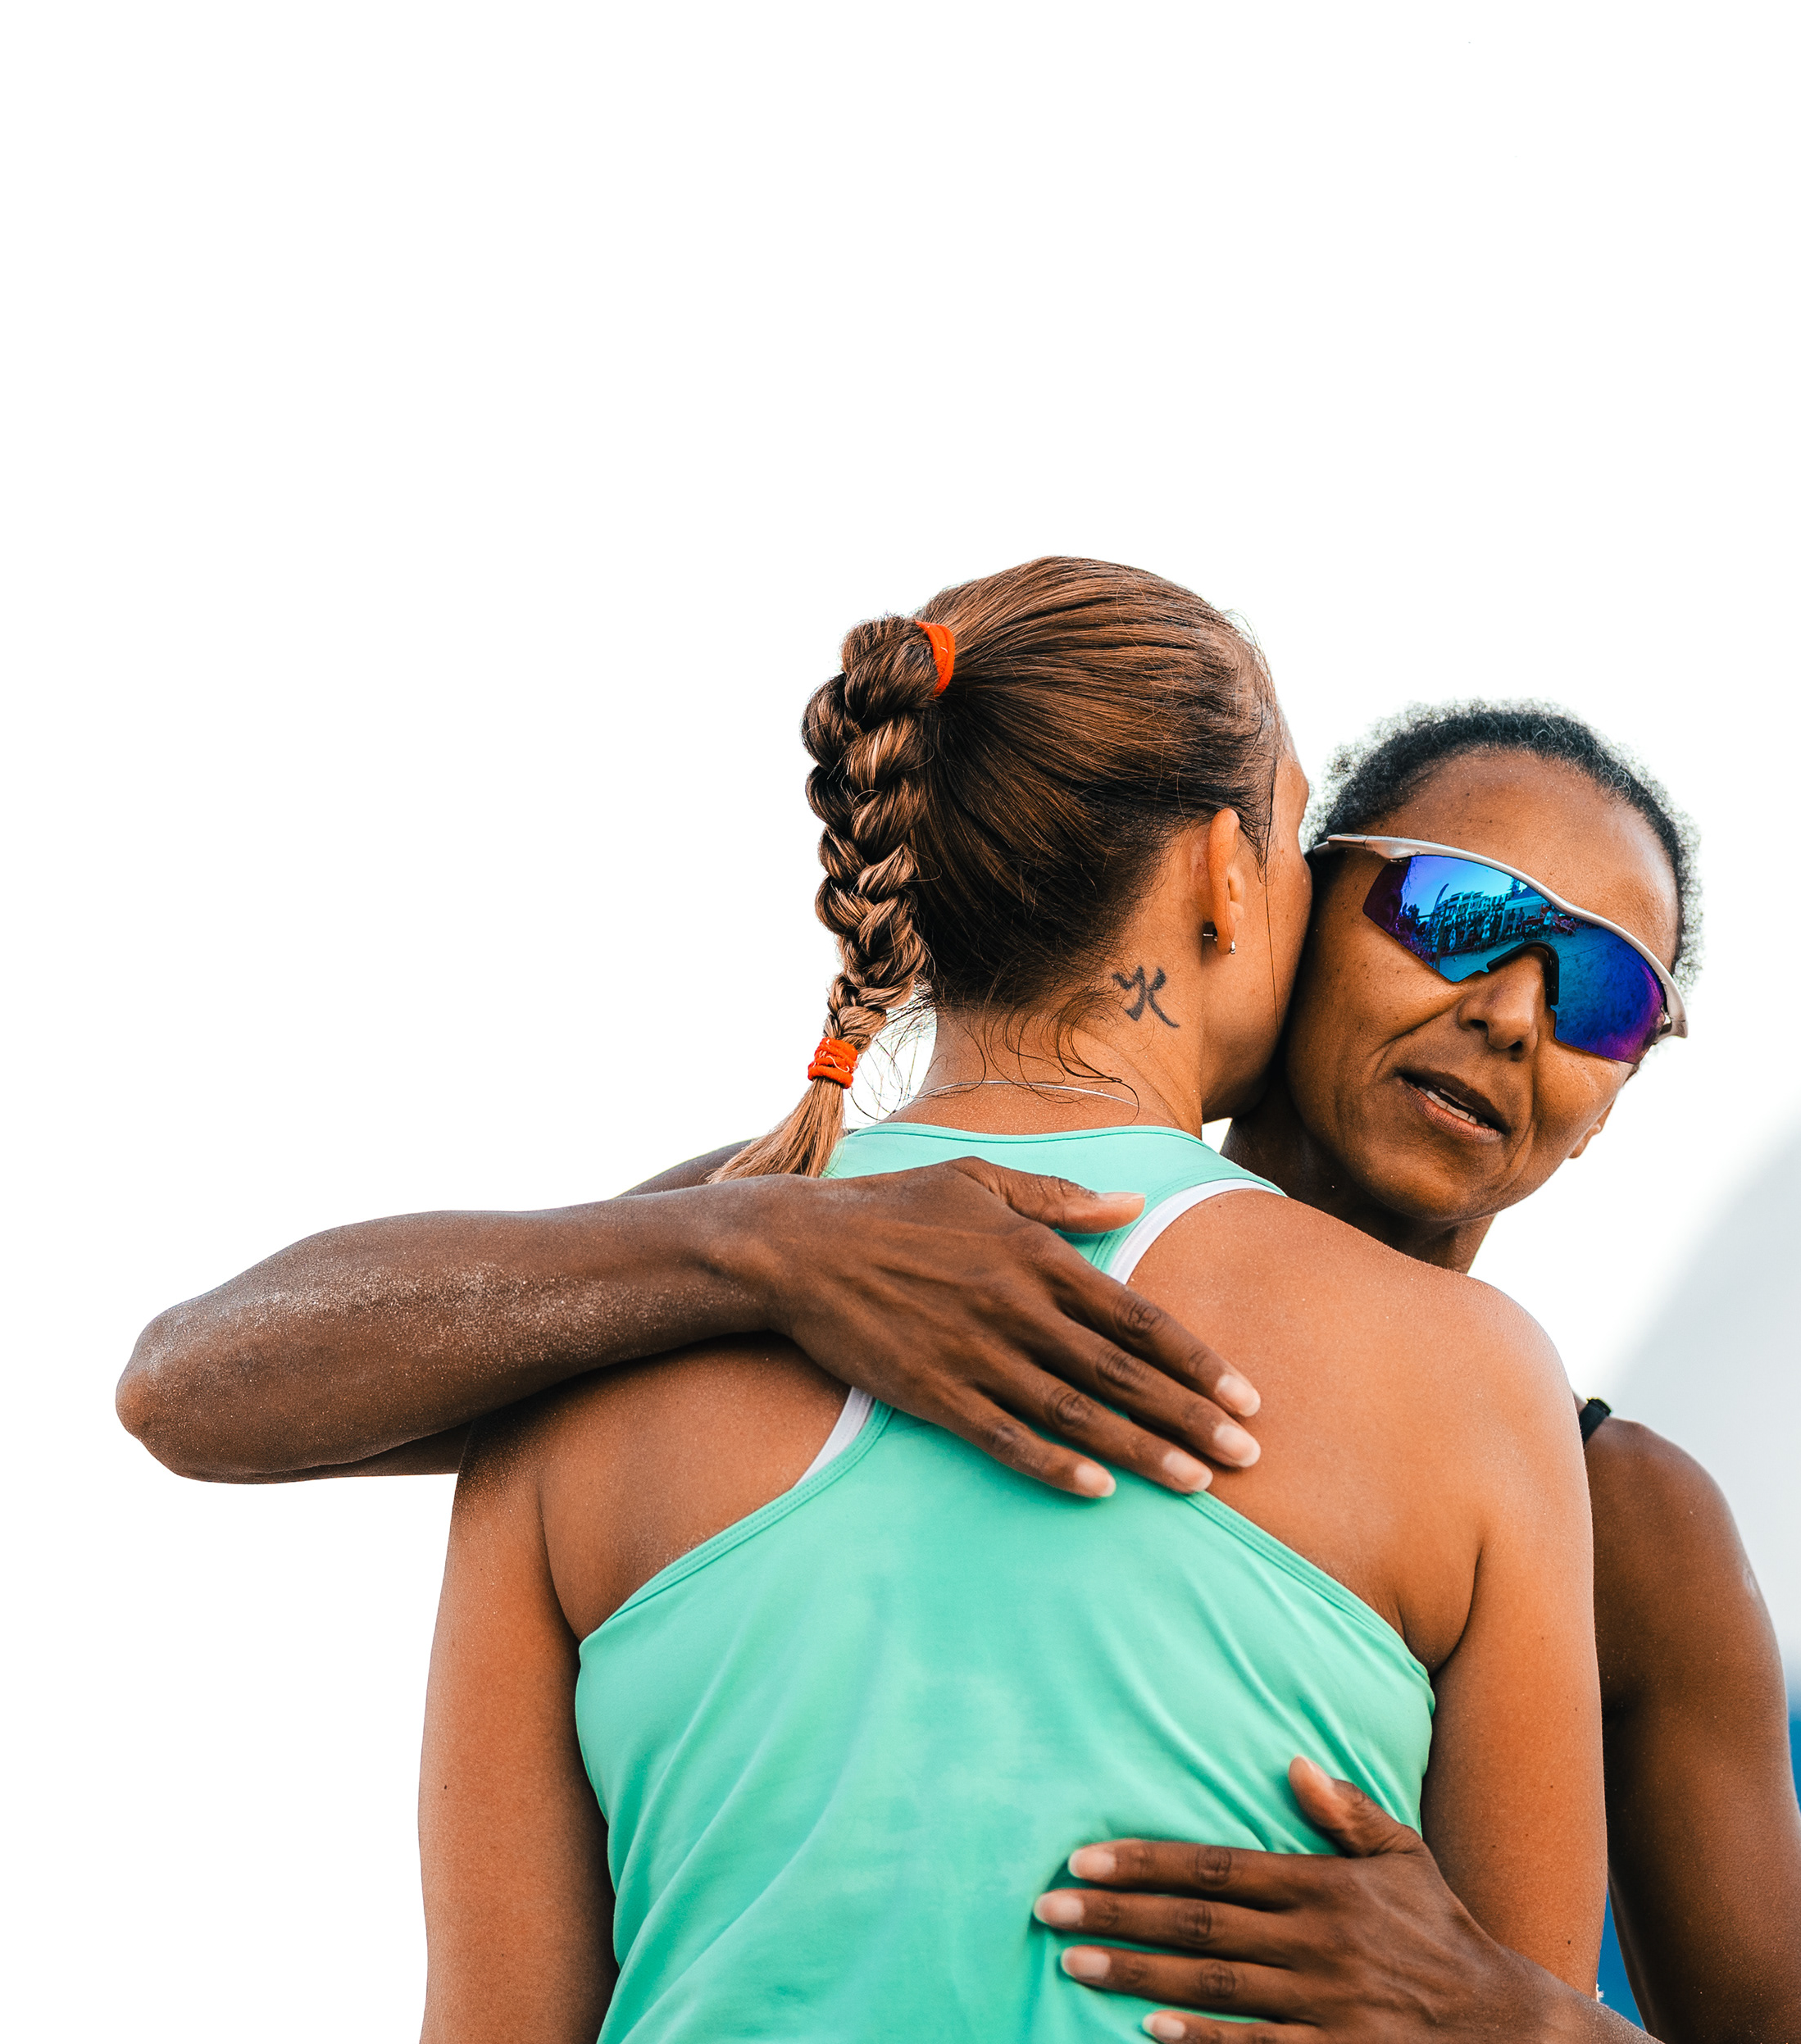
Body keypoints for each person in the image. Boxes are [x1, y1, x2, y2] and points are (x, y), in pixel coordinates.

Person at [125, 689, 1801, 2042]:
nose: (1514, 1011)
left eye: (1605, 994)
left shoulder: (1621, 1513)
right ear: (1281, 897)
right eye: (1464, 914)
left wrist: (1518, 2019)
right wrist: (759, 1248)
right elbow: (199, 1383)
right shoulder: (844, 1233)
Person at [392, 556, 1607, 2039]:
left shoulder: (591, 1357)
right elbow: (1513, 2004)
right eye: (1293, 844)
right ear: (1225, 878)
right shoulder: (1471, 1380)